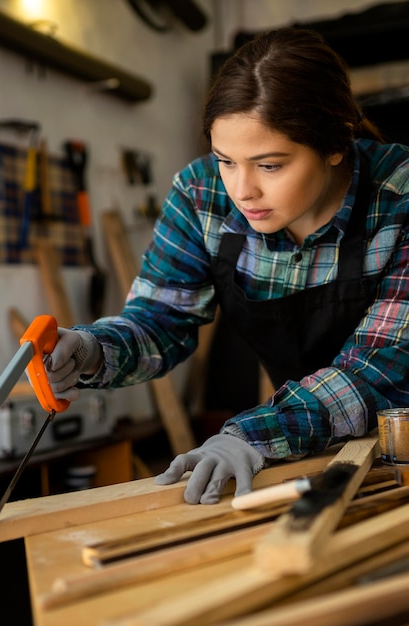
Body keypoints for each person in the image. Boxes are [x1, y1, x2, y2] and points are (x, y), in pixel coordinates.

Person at [44, 27, 409, 504]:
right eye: (226, 160)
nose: (242, 190)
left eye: (270, 165)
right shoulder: (201, 195)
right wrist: (93, 349)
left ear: (336, 143)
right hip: (309, 441)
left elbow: (377, 368)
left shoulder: (399, 196)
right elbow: (162, 318)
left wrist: (251, 434)